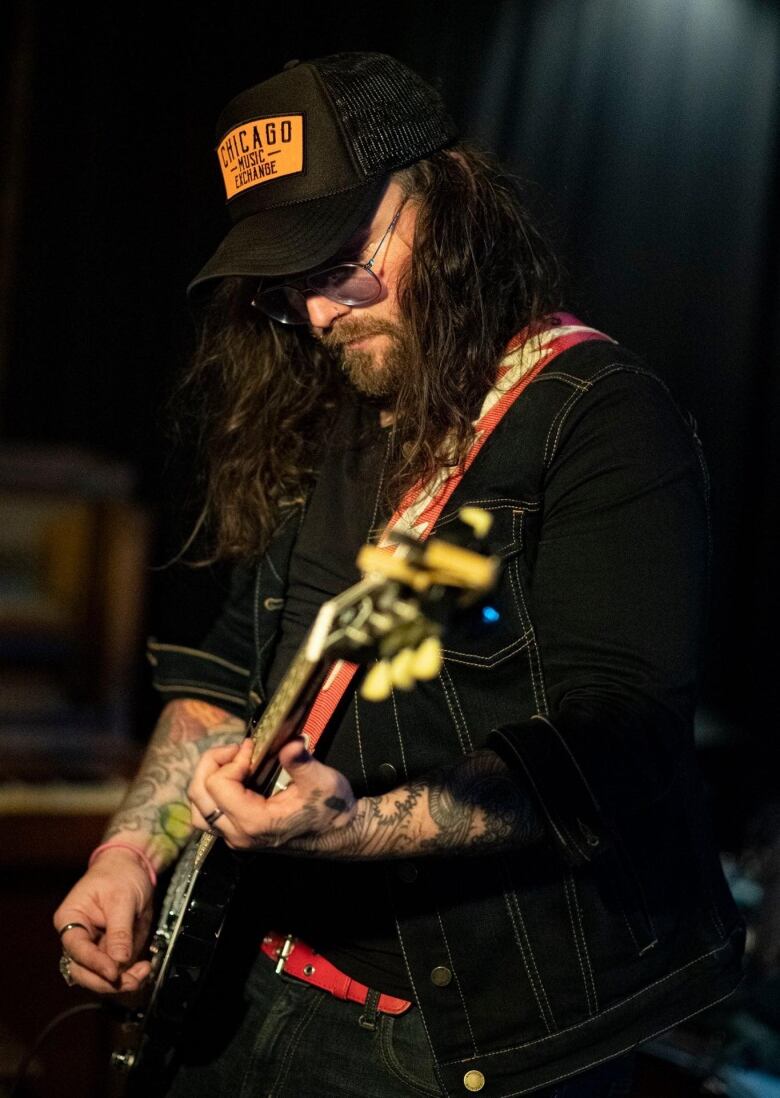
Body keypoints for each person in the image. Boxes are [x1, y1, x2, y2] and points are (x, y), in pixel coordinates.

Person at [53, 52, 744, 1097]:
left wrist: (358, 825)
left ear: (453, 202)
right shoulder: (336, 419)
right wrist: (132, 857)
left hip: (448, 1039)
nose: (323, 317)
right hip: (245, 987)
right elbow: (226, 677)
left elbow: (621, 749)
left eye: (340, 261)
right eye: (290, 292)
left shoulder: (601, 422)